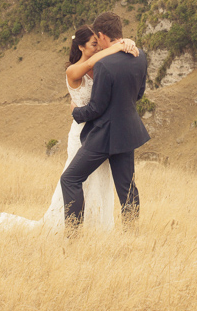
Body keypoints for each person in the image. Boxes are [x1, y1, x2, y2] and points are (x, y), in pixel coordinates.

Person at [0, 24, 138, 233]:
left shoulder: (101, 67)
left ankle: (97, 228)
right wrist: (120, 45)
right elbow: (96, 61)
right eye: (94, 44)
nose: (98, 48)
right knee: (77, 179)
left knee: (99, 180)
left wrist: (127, 42)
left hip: (101, 134)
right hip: (82, 133)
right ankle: (72, 227)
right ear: (82, 47)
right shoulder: (74, 70)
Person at [63, 12, 150, 234]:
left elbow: (96, 108)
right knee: (127, 187)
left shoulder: (105, 65)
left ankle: (73, 235)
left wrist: (76, 112)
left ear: (102, 35)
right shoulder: (140, 56)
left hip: (103, 134)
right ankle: (132, 233)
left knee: (70, 179)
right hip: (127, 131)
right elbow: (138, 94)